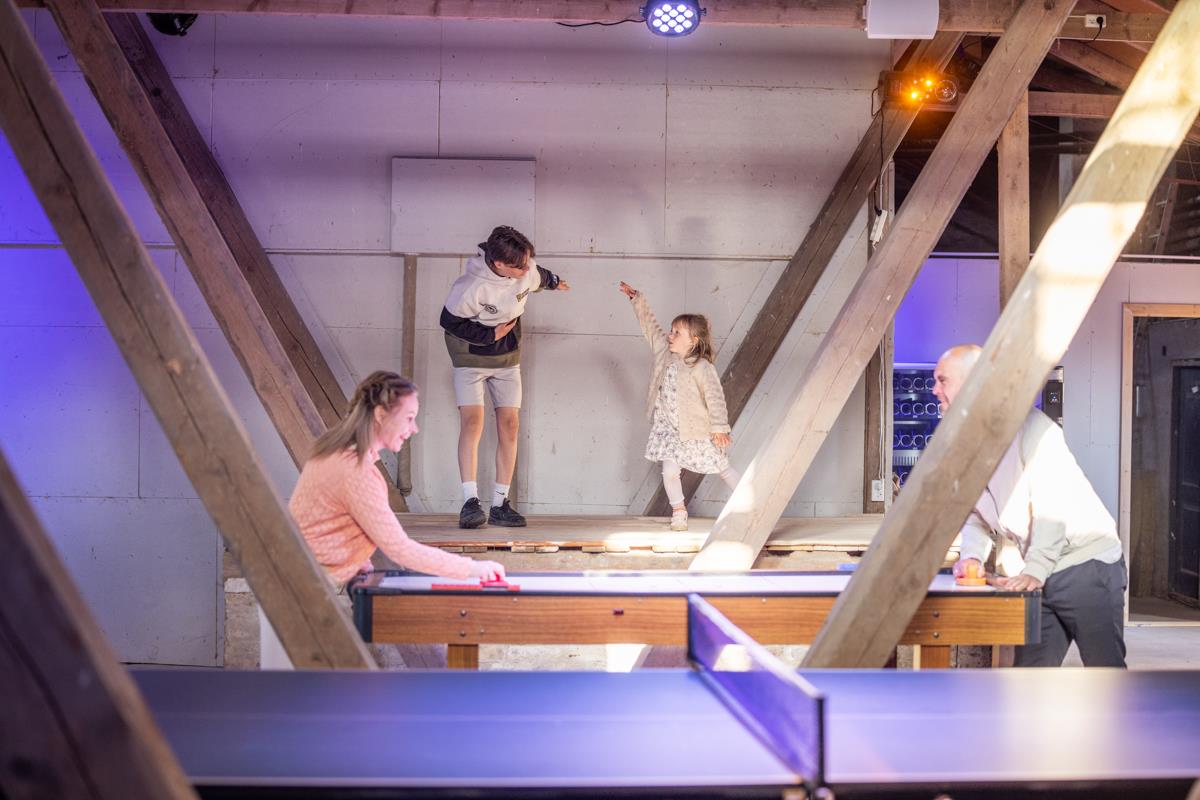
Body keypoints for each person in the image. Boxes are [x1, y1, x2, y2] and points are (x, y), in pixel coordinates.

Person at [935, 344, 1127, 667]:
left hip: (1088, 566)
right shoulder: (965, 444)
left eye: (942, 380)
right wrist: (971, 558)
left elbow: (1052, 505)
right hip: (1041, 570)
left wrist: (1036, 569)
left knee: (1107, 675)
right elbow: (976, 515)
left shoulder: (1032, 428)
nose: (934, 389)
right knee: (1029, 678)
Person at [289, 370, 505, 586]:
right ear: (380, 414)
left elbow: (330, 525)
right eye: (409, 418)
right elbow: (400, 549)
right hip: (306, 589)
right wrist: (475, 569)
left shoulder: (333, 453)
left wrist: (357, 560)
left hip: (298, 579)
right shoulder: (356, 472)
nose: (414, 429)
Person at [440, 226, 570, 529]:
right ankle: (470, 502)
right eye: (520, 266)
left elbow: (539, 276)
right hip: (470, 357)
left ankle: (500, 504)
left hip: (507, 357)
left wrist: (554, 282)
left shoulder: (527, 269)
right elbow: (448, 321)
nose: (527, 269)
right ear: (499, 264)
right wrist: (490, 334)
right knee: (472, 423)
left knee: (510, 425)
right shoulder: (471, 286)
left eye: (528, 262)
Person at [619, 280, 740, 532]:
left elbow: (715, 398)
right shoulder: (663, 352)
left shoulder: (702, 367)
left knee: (721, 467)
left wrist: (719, 427)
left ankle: (749, 501)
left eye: (677, 333)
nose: (670, 335)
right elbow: (650, 326)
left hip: (695, 429)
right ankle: (679, 511)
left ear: (693, 341)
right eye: (671, 330)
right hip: (668, 429)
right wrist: (637, 299)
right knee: (669, 472)